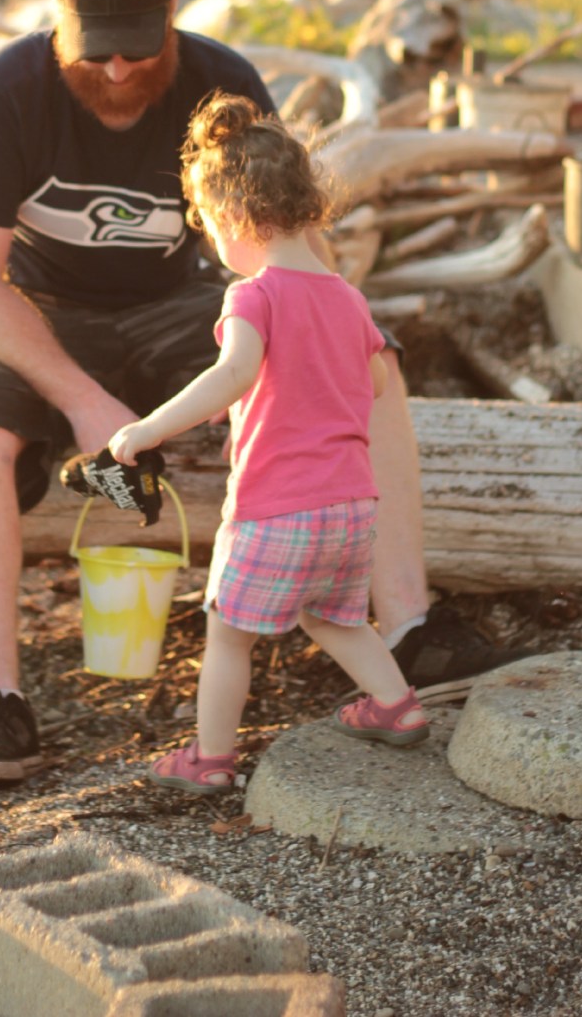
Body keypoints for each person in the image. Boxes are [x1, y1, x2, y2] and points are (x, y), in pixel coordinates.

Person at [0, 0, 521, 793]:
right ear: (56, 19)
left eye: (137, 41)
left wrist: (349, 330)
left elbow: (289, 246)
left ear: (173, 8)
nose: (119, 67)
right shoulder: (3, 89)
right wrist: (88, 403)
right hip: (39, 311)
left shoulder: (220, 82)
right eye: (95, 48)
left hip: (184, 305)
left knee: (376, 360)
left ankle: (405, 627)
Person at [109, 94, 430, 791]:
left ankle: (210, 759)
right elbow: (374, 380)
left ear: (233, 218)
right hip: (352, 508)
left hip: (275, 507)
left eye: (209, 227)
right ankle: (398, 706)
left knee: (228, 633)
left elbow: (232, 373)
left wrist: (149, 428)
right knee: (336, 618)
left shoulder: (253, 296)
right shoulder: (347, 298)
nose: (213, 246)